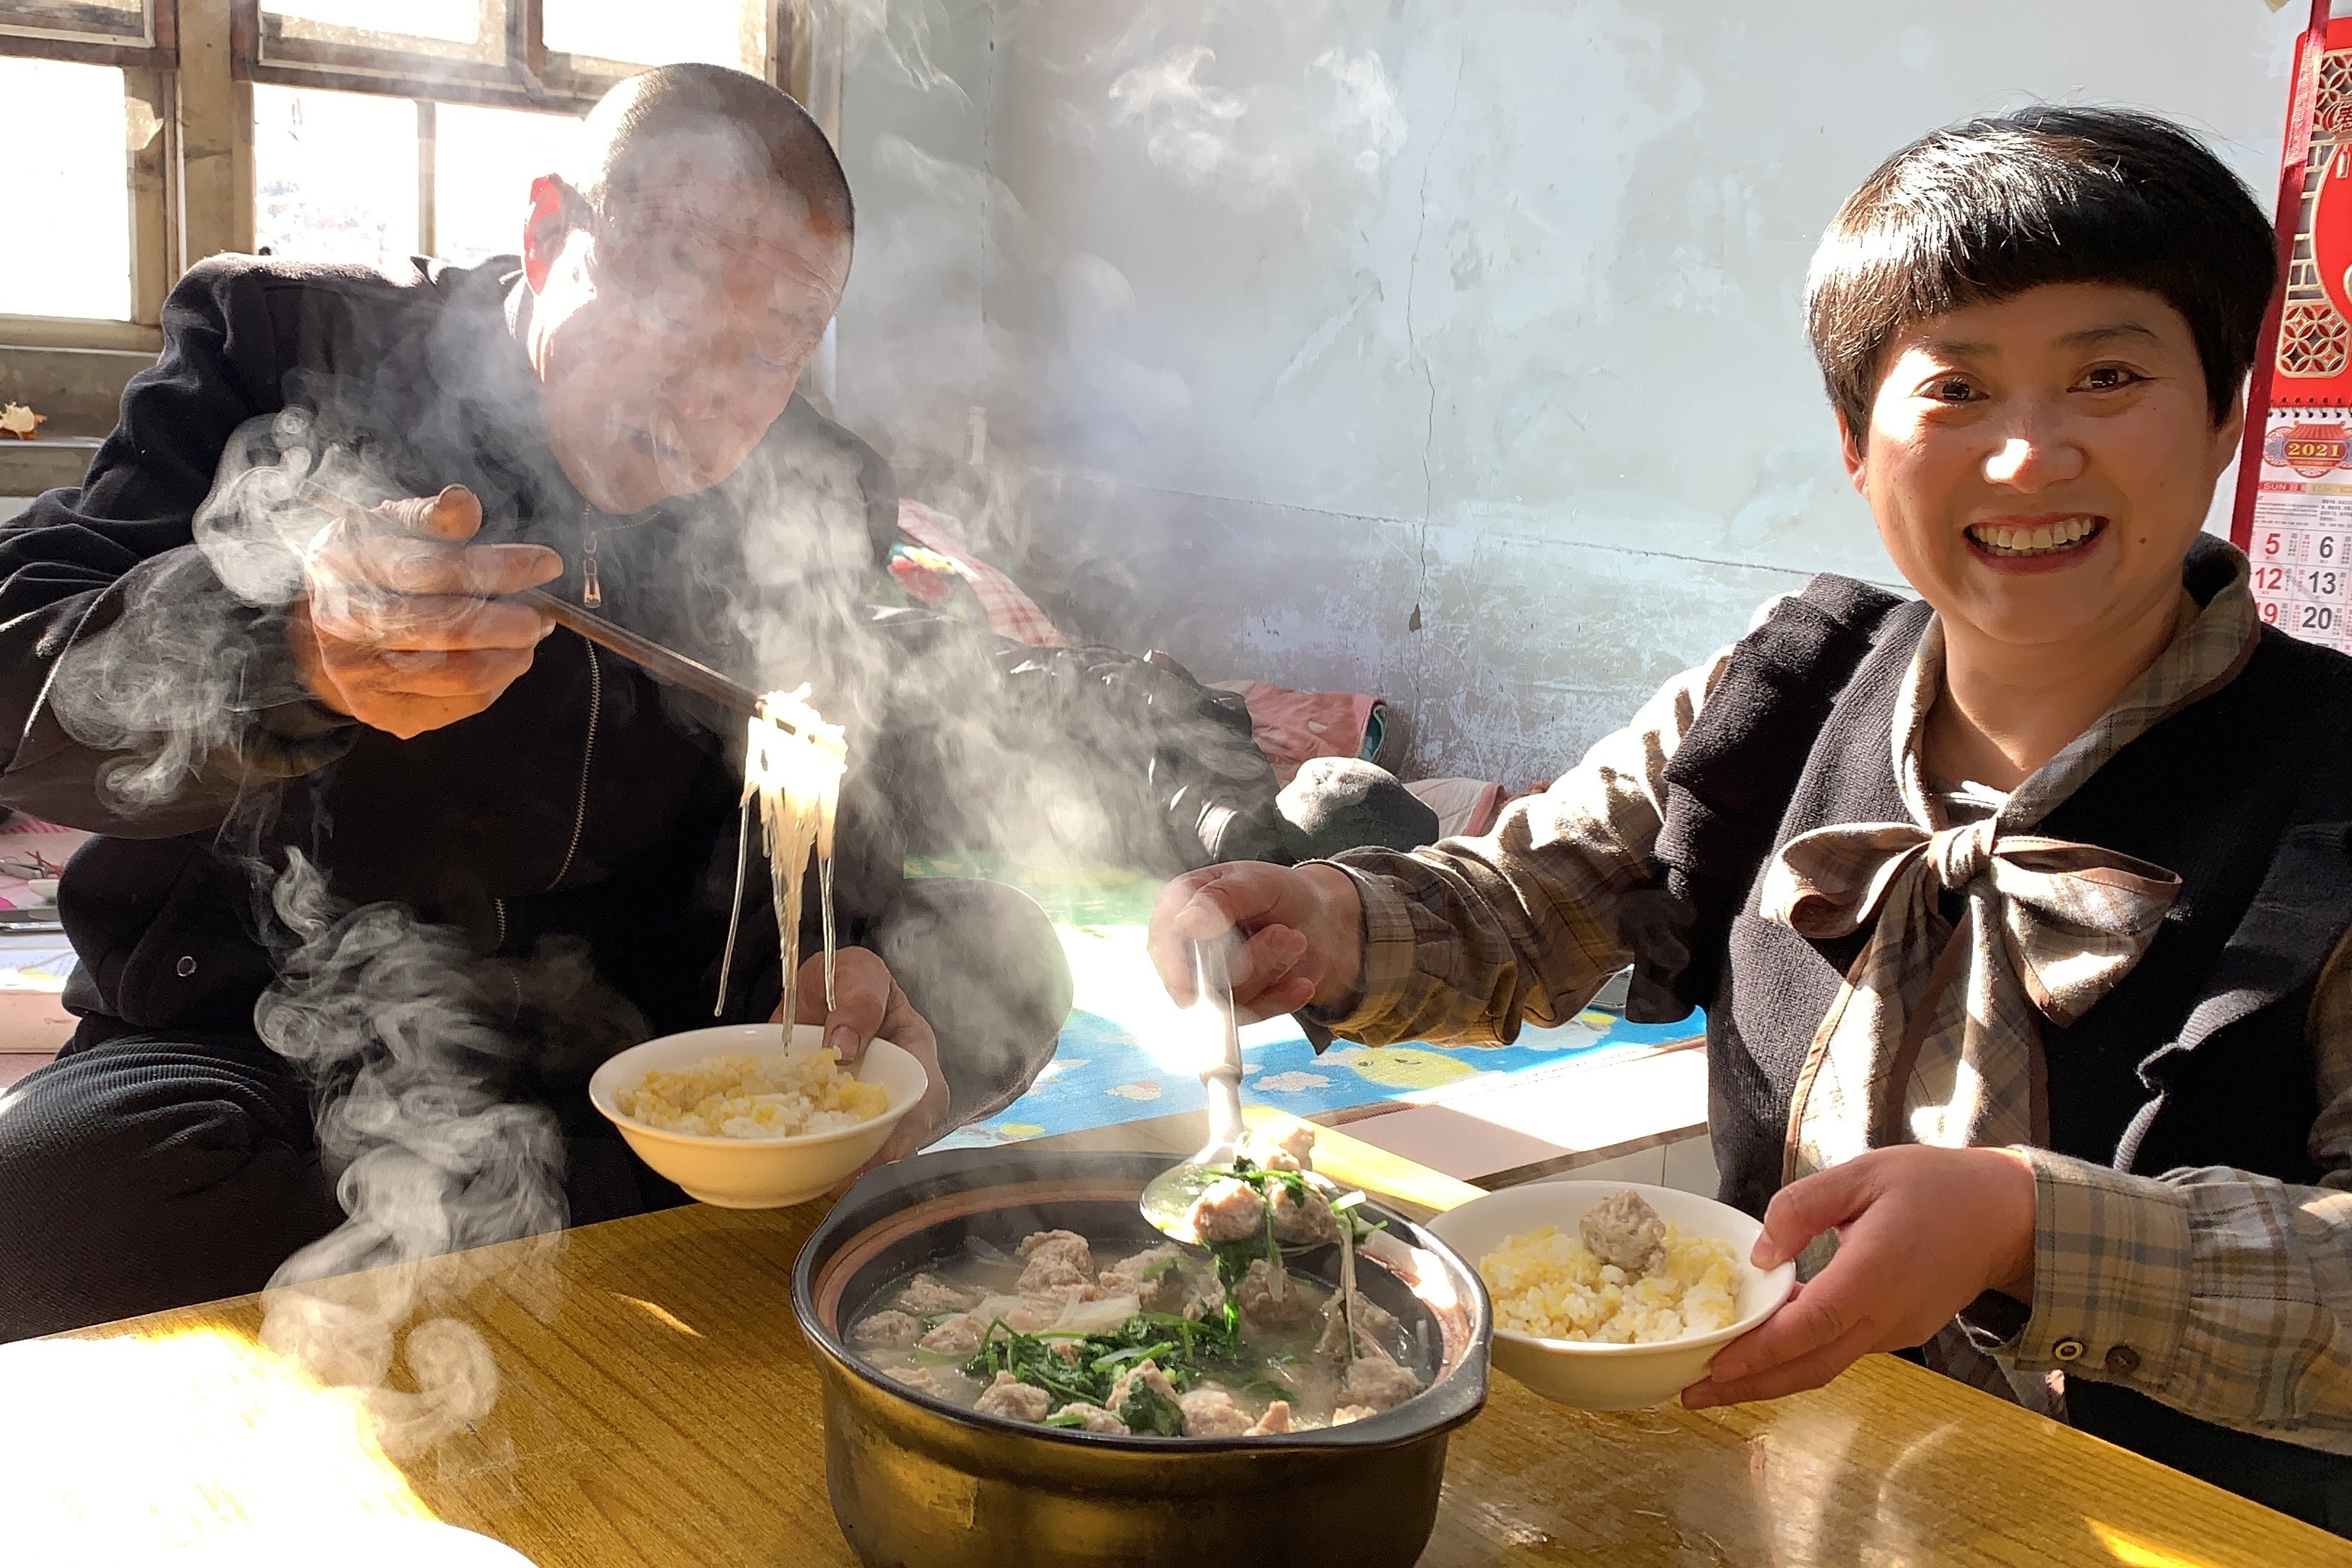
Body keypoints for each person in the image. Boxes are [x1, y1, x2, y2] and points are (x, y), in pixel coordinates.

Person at [1151, 107, 2352, 1532]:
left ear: (2225, 411)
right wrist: (1329, 921)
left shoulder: (2327, 780)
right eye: (1955, 390)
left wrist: (2028, 1226)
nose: (2030, 457)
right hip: (1777, 1478)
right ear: (1857, 443)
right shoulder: (1782, 690)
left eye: (2106, 376)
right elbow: (1535, 899)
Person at [0, 65, 1074, 1340]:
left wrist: (851, 948)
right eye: (677, 310)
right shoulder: (277, 346)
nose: (715, 405)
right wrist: (284, 638)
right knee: (52, 1213)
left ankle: (505, 1234)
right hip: (291, 1038)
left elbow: (833, 767)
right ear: (551, 232)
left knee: (1006, 957)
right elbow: (25, 681)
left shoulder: (816, 483)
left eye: (777, 344)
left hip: (662, 1032)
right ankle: (669, 1219)